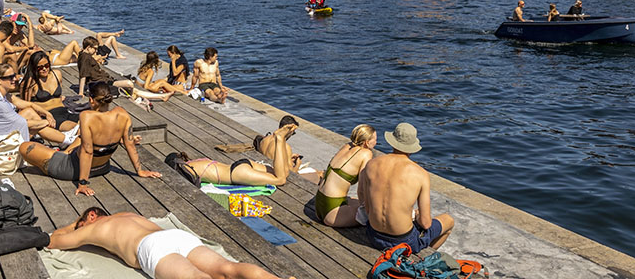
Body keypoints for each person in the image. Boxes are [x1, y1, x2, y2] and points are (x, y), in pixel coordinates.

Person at [47, 207, 291, 279]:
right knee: (227, 269)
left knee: (196, 278)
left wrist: (74, 227)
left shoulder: (96, 226)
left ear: (91, 216)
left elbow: (56, 242)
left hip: (152, 247)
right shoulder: (127, 214)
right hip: (175, 236)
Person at [19, 81, 160, 190]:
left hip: (73, 169)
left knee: (25, 147)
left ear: (91, 100)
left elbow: (88, 151)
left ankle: (62, 154)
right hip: (102, 167)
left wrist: (83, 183)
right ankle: (64, 152)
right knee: (81, 138)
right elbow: (129, 144)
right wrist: (139, 170)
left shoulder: (87, 116)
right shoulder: (122, 113)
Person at [359, 122, 454, 254]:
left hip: (374, 236)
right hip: (404, 242)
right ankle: (422, 257)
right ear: (412, 147)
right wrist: (418, 216)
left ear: (392, 142)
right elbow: (426, 224)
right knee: (448, 221)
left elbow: (368, 209)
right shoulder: (421, 174)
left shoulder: (371, 164)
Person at [0, 63, 78, 147]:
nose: (15, 79)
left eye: (14, 75)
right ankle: (64, 139)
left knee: (29, 112)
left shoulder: (4, 95)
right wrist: (47, 122)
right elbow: (22, 123)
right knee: (34, 123)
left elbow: (29, 105)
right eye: (10, 77)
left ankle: (63, 139)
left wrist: (47, 114)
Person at [165, 125, 292, 187]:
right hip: (242, 164)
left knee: (280, 180)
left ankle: (280, 139)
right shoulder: (195, 162)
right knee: (283, 173)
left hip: (237, 174)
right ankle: (280, 140)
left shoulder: (185, 169)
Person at [315, 124, 376, 227]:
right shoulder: (366, 154)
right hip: (332, 212)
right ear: (367, 142)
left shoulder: (347, 146)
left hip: (319, 204)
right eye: (375, 139)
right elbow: (361, 189)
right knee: (373, 214)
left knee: (354, 201)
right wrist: (365, 211)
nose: (376, 142)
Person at [20, 50, 78, 131]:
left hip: (64, 111)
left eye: (46, 65)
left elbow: (59, 97)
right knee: (75, 128)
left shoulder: (57, 74)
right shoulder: (30, 82)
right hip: (50, 117)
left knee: (89, 121)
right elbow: (25, 105)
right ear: (34, 68)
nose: (44, 69)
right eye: (40, 67)